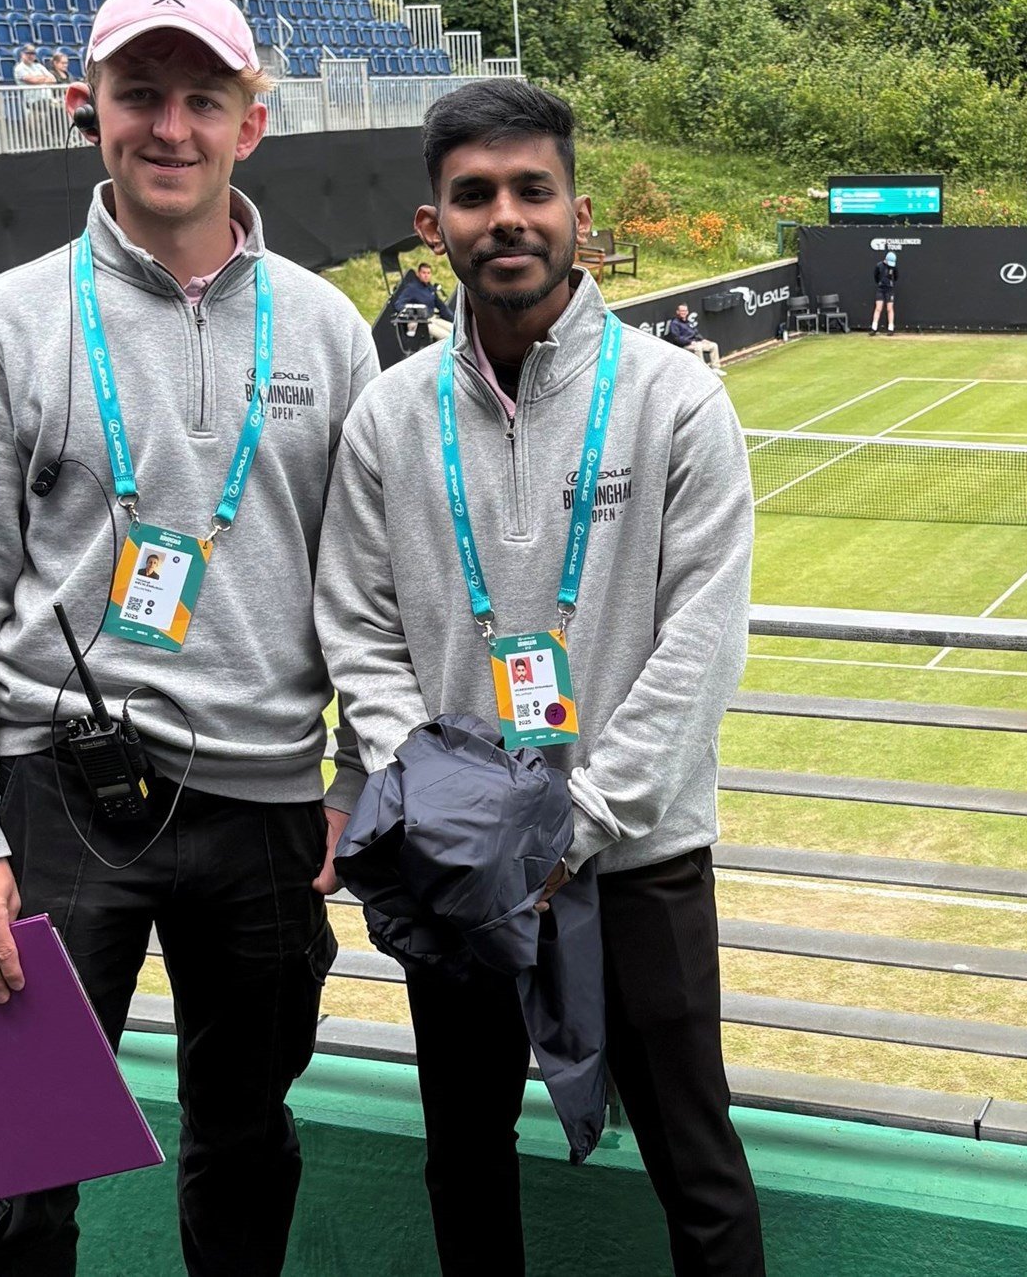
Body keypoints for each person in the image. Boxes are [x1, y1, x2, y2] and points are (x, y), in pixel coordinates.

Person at [0, 0, 379, 1276]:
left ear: (253, 125)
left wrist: (360, 775)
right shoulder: (12, 319)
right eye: (139, 95)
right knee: (21, 1165)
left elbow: (372, 588)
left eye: (201, 99)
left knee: (243, 1141)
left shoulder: (329, 330)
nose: (170, 126)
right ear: (89, 111)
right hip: (51, 805)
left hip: (269, 809)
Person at [315, 79, 765, 1276]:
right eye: (474, 195)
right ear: (433, 224)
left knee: (696, 1161)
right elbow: (355, 624)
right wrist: (449, 809)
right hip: (455, 863)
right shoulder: (386, 415)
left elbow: (703, 639)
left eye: (532, 190)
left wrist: (572, 819)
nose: (504, 216)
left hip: (636, 856)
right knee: (463, 1152)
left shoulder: (678, 401)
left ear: (575, 212)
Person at [396, 259, 454, 343]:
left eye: (428, 273)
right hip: (420, 322)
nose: (426, 275)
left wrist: (454, 319)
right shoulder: (412, 288)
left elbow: (442, 307)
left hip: (433, 319)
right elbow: (399, 304)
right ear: (418, 274)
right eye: (424, 273)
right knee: (448, 337)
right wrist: (413, 312)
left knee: (455, 332)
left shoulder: (430, 289)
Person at [664, 302, 723, 371]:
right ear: (678, 312)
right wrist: (690, 342)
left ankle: (716, 368)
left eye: (685, 311)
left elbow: (695, 333)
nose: (684, 313)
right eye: (682, 311)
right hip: (685, 346)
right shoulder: (675, 323)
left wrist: (702, 339)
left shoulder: (689, 322)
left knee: (713, 345)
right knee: (698, 348)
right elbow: (676, 338)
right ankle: (703, 370)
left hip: (696, 343)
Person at [869, 249, 898, 335]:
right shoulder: (879, 266)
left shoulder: (893, 267)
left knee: (889, 308)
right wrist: (881, 283)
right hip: (880, 289)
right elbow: (876, 277)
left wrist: (890, 283)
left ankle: (891, 328)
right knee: (878, 308)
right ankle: (874, 328)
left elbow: (896, 277)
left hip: (890, 290)